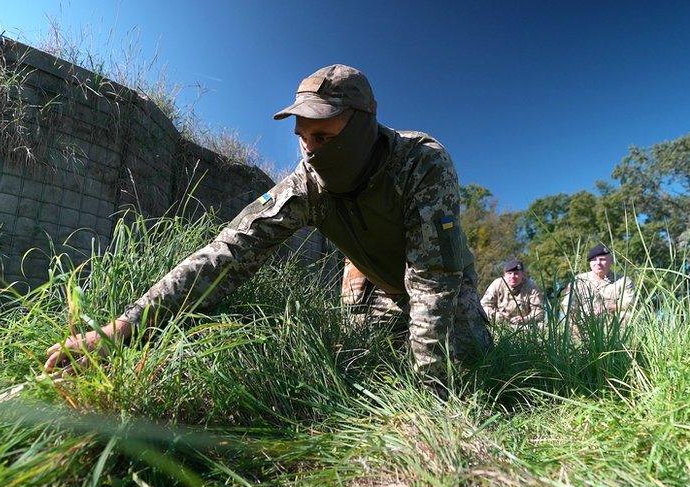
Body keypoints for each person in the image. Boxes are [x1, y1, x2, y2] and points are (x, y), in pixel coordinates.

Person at [44, 64, 491, 382]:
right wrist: (124, 328)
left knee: (467, 371)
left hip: (445, 288)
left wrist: (431, 390)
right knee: (364, 370)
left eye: (325, 136)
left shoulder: (421, 163)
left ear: (363, 124)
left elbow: (434, 280)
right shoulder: (305, 187)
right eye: (303, 138)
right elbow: (227, 252)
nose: (311, 151)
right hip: (379, 290)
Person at [561, 244, 635, 327]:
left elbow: (629, 304)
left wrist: (607, 307)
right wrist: (574, 328)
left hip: (614, 326)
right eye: (594, 260)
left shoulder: (623, 281)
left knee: (626, 315)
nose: (598, 263)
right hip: (585, 326)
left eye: (602, 259)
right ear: (590, 263)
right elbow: (568, 306)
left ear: (611, 261)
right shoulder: (578, 280)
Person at [480, 259, 545, 328]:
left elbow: (539, 312)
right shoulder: (497, 284)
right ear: (504, 275)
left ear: (523, 274)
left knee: (541, 326)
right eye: (509, 273)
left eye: (516, 273)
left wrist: (525, 319)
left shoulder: (531, 287)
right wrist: (496, 316)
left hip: (524, 326)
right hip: (500, 324)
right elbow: (483, 305)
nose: (513, 277)